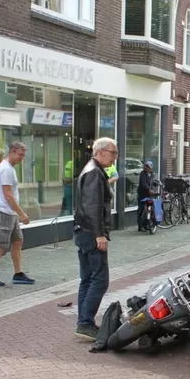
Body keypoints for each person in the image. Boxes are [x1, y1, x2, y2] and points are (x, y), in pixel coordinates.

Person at [72, 137, 117, 340]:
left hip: (83, 233)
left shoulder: (92, 170)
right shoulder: (94, 173)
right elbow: (93, 206)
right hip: (91, 234)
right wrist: (99, 234)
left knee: (87, 279)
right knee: (99, 280)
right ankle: (85, 323)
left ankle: (83, 322)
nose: (115, 157)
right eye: (112, 152)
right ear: (99, 152)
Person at [0, 142, 35, 287]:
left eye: (23, 155)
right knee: (1, 245)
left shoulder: (8, 167)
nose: (22, 158)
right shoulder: (6, 169)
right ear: (12, 152)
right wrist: (22, 213)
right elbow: (8, 195)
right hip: (5, 212)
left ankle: (18, 273)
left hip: (9, 213)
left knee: (18, 241)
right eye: (20, 155)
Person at [137, 160, 158, 231]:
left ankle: (146, 224)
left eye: (147, 166)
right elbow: (143, 184)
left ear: (150, 168)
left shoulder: (152, 174)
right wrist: (149, 189)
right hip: (142, 195)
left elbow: (152, 182)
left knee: (149, 208)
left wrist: (156, 184)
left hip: (149, 195)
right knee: (141, 209)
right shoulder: (142, 173)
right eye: (145, 166)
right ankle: (140, 226)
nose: (146, 167)